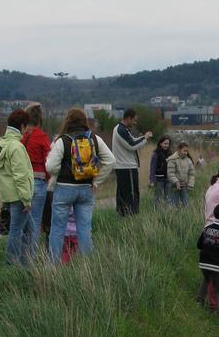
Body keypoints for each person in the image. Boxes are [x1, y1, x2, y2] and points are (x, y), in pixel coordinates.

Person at [45, 107, 115, 263]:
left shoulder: (62, 140)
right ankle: (87, 266)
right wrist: (96, 181)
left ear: (67, 121)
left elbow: (50, 167)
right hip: (86, 189)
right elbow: (111, 160)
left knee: (57, 229)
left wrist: (61, 170)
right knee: (84, 229)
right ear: (84, 121)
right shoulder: (95, 139)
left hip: (64, 188)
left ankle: (53, 267)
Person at [0, 108, 34, 266]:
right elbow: (21, 176)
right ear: (22, 126)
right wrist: (27, 200)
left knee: (30, 230)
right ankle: (13, 266)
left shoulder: (0, 144)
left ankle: (27, 264)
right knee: (16, 231)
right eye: (26, 126)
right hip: (19, 197)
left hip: (8, 196)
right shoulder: (16, 147)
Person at [20, 102, 51, 259]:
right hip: (39, 183)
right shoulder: (42, 137)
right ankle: (30, 261)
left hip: (23, 183)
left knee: (23, 225)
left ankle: (21, 259)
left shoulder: (22, 137)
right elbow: (49, 162)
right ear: (40, 119)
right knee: (35, 225)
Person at [111, 108, 152, 216]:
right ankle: (132, 216)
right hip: (127, 167)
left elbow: (132, 140)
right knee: (132, 194)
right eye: (134, 120)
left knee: (122, 193)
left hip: (123, 167)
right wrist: (146, 139)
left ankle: (123, 216)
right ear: (129, 118)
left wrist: (143, 137)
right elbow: (132, 146)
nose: (135, 122)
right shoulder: (121, 130)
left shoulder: (120, 129)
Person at [166, 141, 196, 207]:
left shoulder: (188, 160)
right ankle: (172, 216)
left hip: (184, 186)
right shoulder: (172, 159)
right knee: (173, 205)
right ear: (179, 150)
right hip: (174, 186)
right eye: (184, 151)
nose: (186, 153)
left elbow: (192, 174)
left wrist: (190, 185)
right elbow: (170, 173)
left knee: (186, 204)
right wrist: (176, 182)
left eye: (187, 151)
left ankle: (185, 216)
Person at [149, 135, 173, 207]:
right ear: (160, 143)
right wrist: (152, 180)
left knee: (168, 197)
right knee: (158, 197)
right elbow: (152, 168)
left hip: (168, 178)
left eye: (168, 144)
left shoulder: (170, 154)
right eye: (165, 143)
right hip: (159, 179)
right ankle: (157, 212)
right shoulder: (156, 154)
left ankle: (168, 212)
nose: (166, 145)